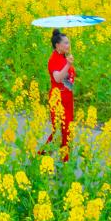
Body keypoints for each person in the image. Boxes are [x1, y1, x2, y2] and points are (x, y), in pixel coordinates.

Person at [44, 30, 75, 162]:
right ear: (58, 45)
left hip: (67, 99)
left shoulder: (63, 57)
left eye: (69, 42)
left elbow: (68, 79)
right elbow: (57, 78)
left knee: (67, 130)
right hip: (58, 100)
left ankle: (64, 159)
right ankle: (44, 157)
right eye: (66, 43)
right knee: (59, 130)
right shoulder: (53, 59)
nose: (69, 45)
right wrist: (68, 65)